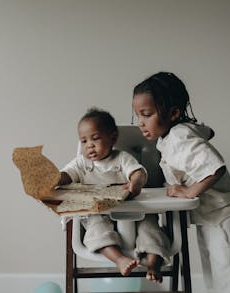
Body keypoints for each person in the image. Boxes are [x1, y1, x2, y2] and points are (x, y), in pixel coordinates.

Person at [132, 72, 230, 293]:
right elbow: (209, 131)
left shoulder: (180, 137)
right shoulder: (173, 135)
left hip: (224, 218)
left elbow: (216, 168)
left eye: (147, 114)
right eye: (137, 116)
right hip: (210, 218)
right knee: (215, 281)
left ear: (173, 113)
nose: (140, 123)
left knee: (228, 284)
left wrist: (190, 192)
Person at [58, 107, 171, 282]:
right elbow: (66, 175)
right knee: (96, 230)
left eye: (95, 138)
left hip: (135, 213)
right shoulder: (81, 163)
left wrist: (136, 183)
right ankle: (119, 258)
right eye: (84, 141)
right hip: (99, 213)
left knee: (151, 228)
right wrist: (55, 179)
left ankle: (153, 264)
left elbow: (138, 172)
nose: (89, 145)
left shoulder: (121, 158)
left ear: (112, 138)